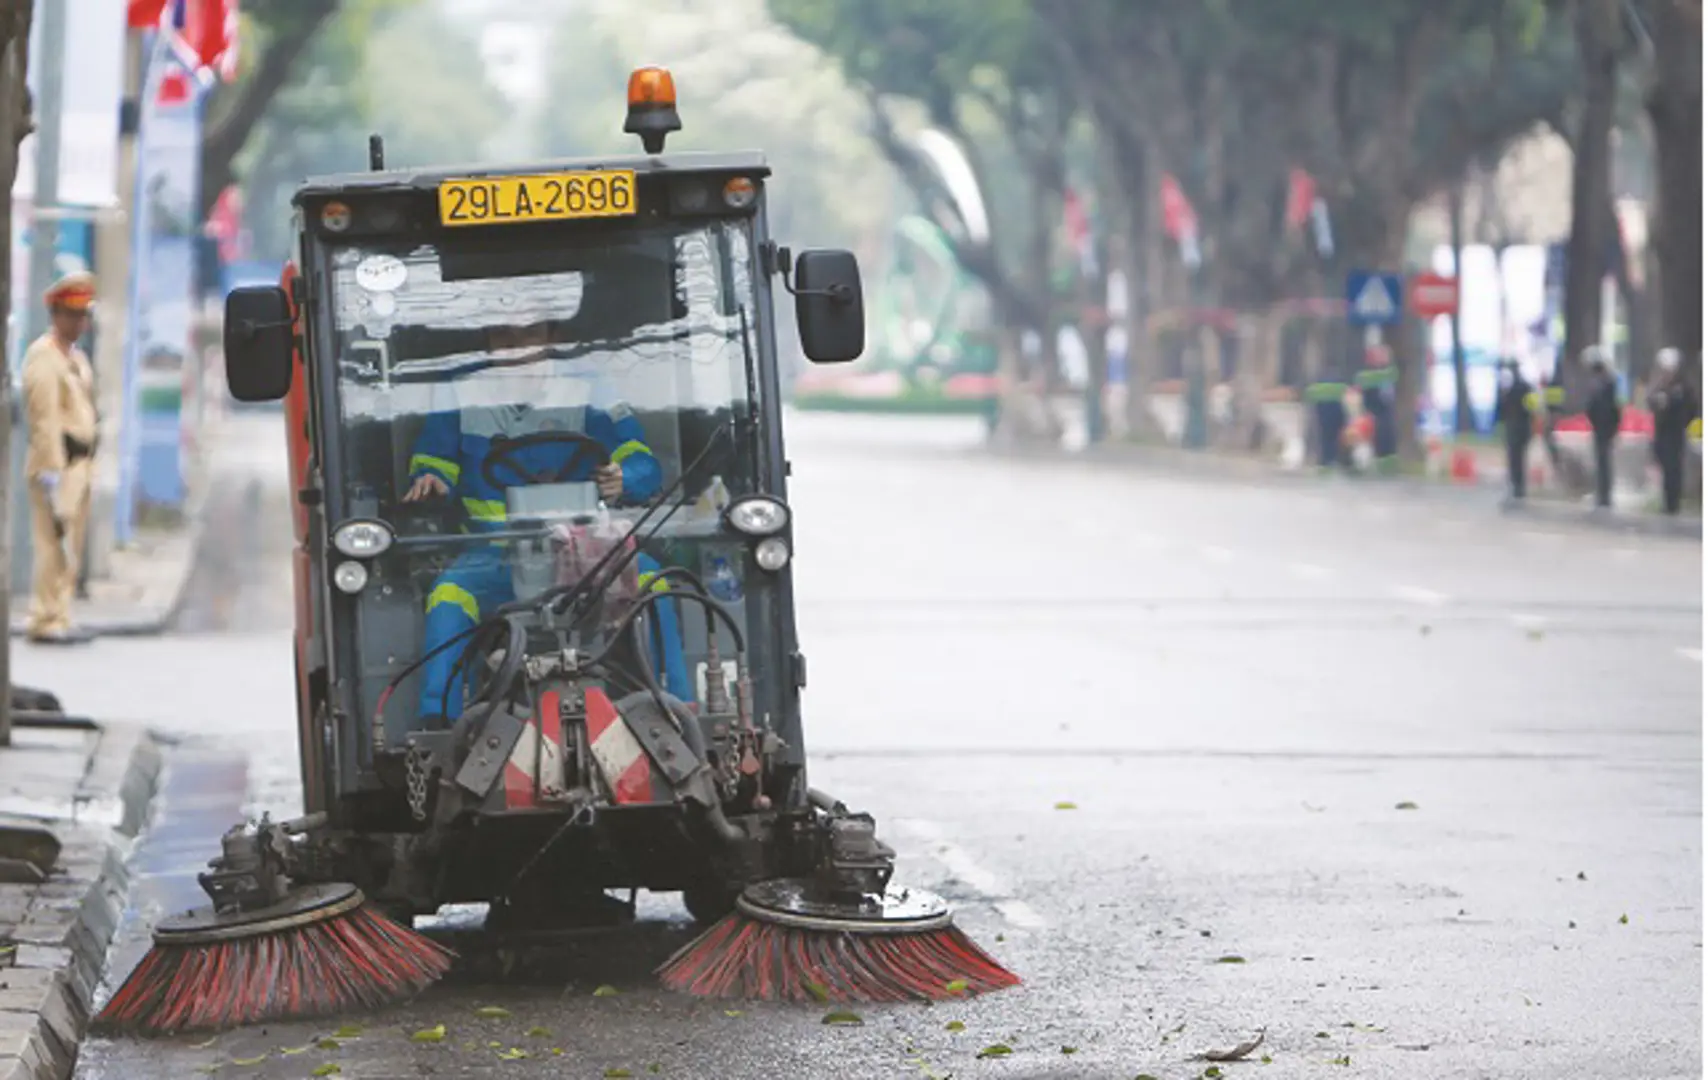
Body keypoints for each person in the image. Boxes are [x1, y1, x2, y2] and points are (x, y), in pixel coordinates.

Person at [403, 321, 688, 725]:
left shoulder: (589, 387)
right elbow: (433, 457)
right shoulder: (458, 389)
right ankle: (440, 726)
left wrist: (626, 477)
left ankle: (679, 712)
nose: (514, 349)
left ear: (551, 338)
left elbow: (641, 461)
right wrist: (430, 480)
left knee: (655, 583)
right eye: (502, 337)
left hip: (589, 557)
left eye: (528, 336)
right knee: (448, 596)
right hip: (495, 555)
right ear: (486, 340)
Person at [21, 273, 99, 645]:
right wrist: (51, 471)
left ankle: (61, 613)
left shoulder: (76, 357)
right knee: (52, 545)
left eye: (84, 315)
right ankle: (45, 617)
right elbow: (45, 419)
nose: (80, 322)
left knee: (71, 547)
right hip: (58, 464)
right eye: (73, 314)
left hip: (80, 465)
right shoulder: (44, 357)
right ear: (57, 314)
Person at [1647, 347, 1697, 515]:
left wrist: (1679, 417)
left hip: (1675, 433)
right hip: (1661, 432)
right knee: (1664, 465)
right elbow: (1651, 402)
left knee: (1674, 467)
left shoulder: (1682, 388)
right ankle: (1667, 500)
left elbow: (1690, 408)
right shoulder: (1659, 386)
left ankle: (1673, 503)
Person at [1583, 347, 1623, 510]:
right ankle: (1603, 494)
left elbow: (1599, 406)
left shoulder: (1602, 383)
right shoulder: (1607, 381)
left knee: (1603, 461)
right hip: (1603, 426)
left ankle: (1604, 495)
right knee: (1602, 461)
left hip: (1603, 427)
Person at [1494, 358, 1535, 504]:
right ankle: (1519, 488)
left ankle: (1517, 487)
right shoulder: (1526, 387)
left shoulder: (1509, 388)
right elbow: (1532, 408)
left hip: (1515, 427)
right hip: (1522, 427)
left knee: (1514, 459)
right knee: (1519, 459)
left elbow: (1502, 409)